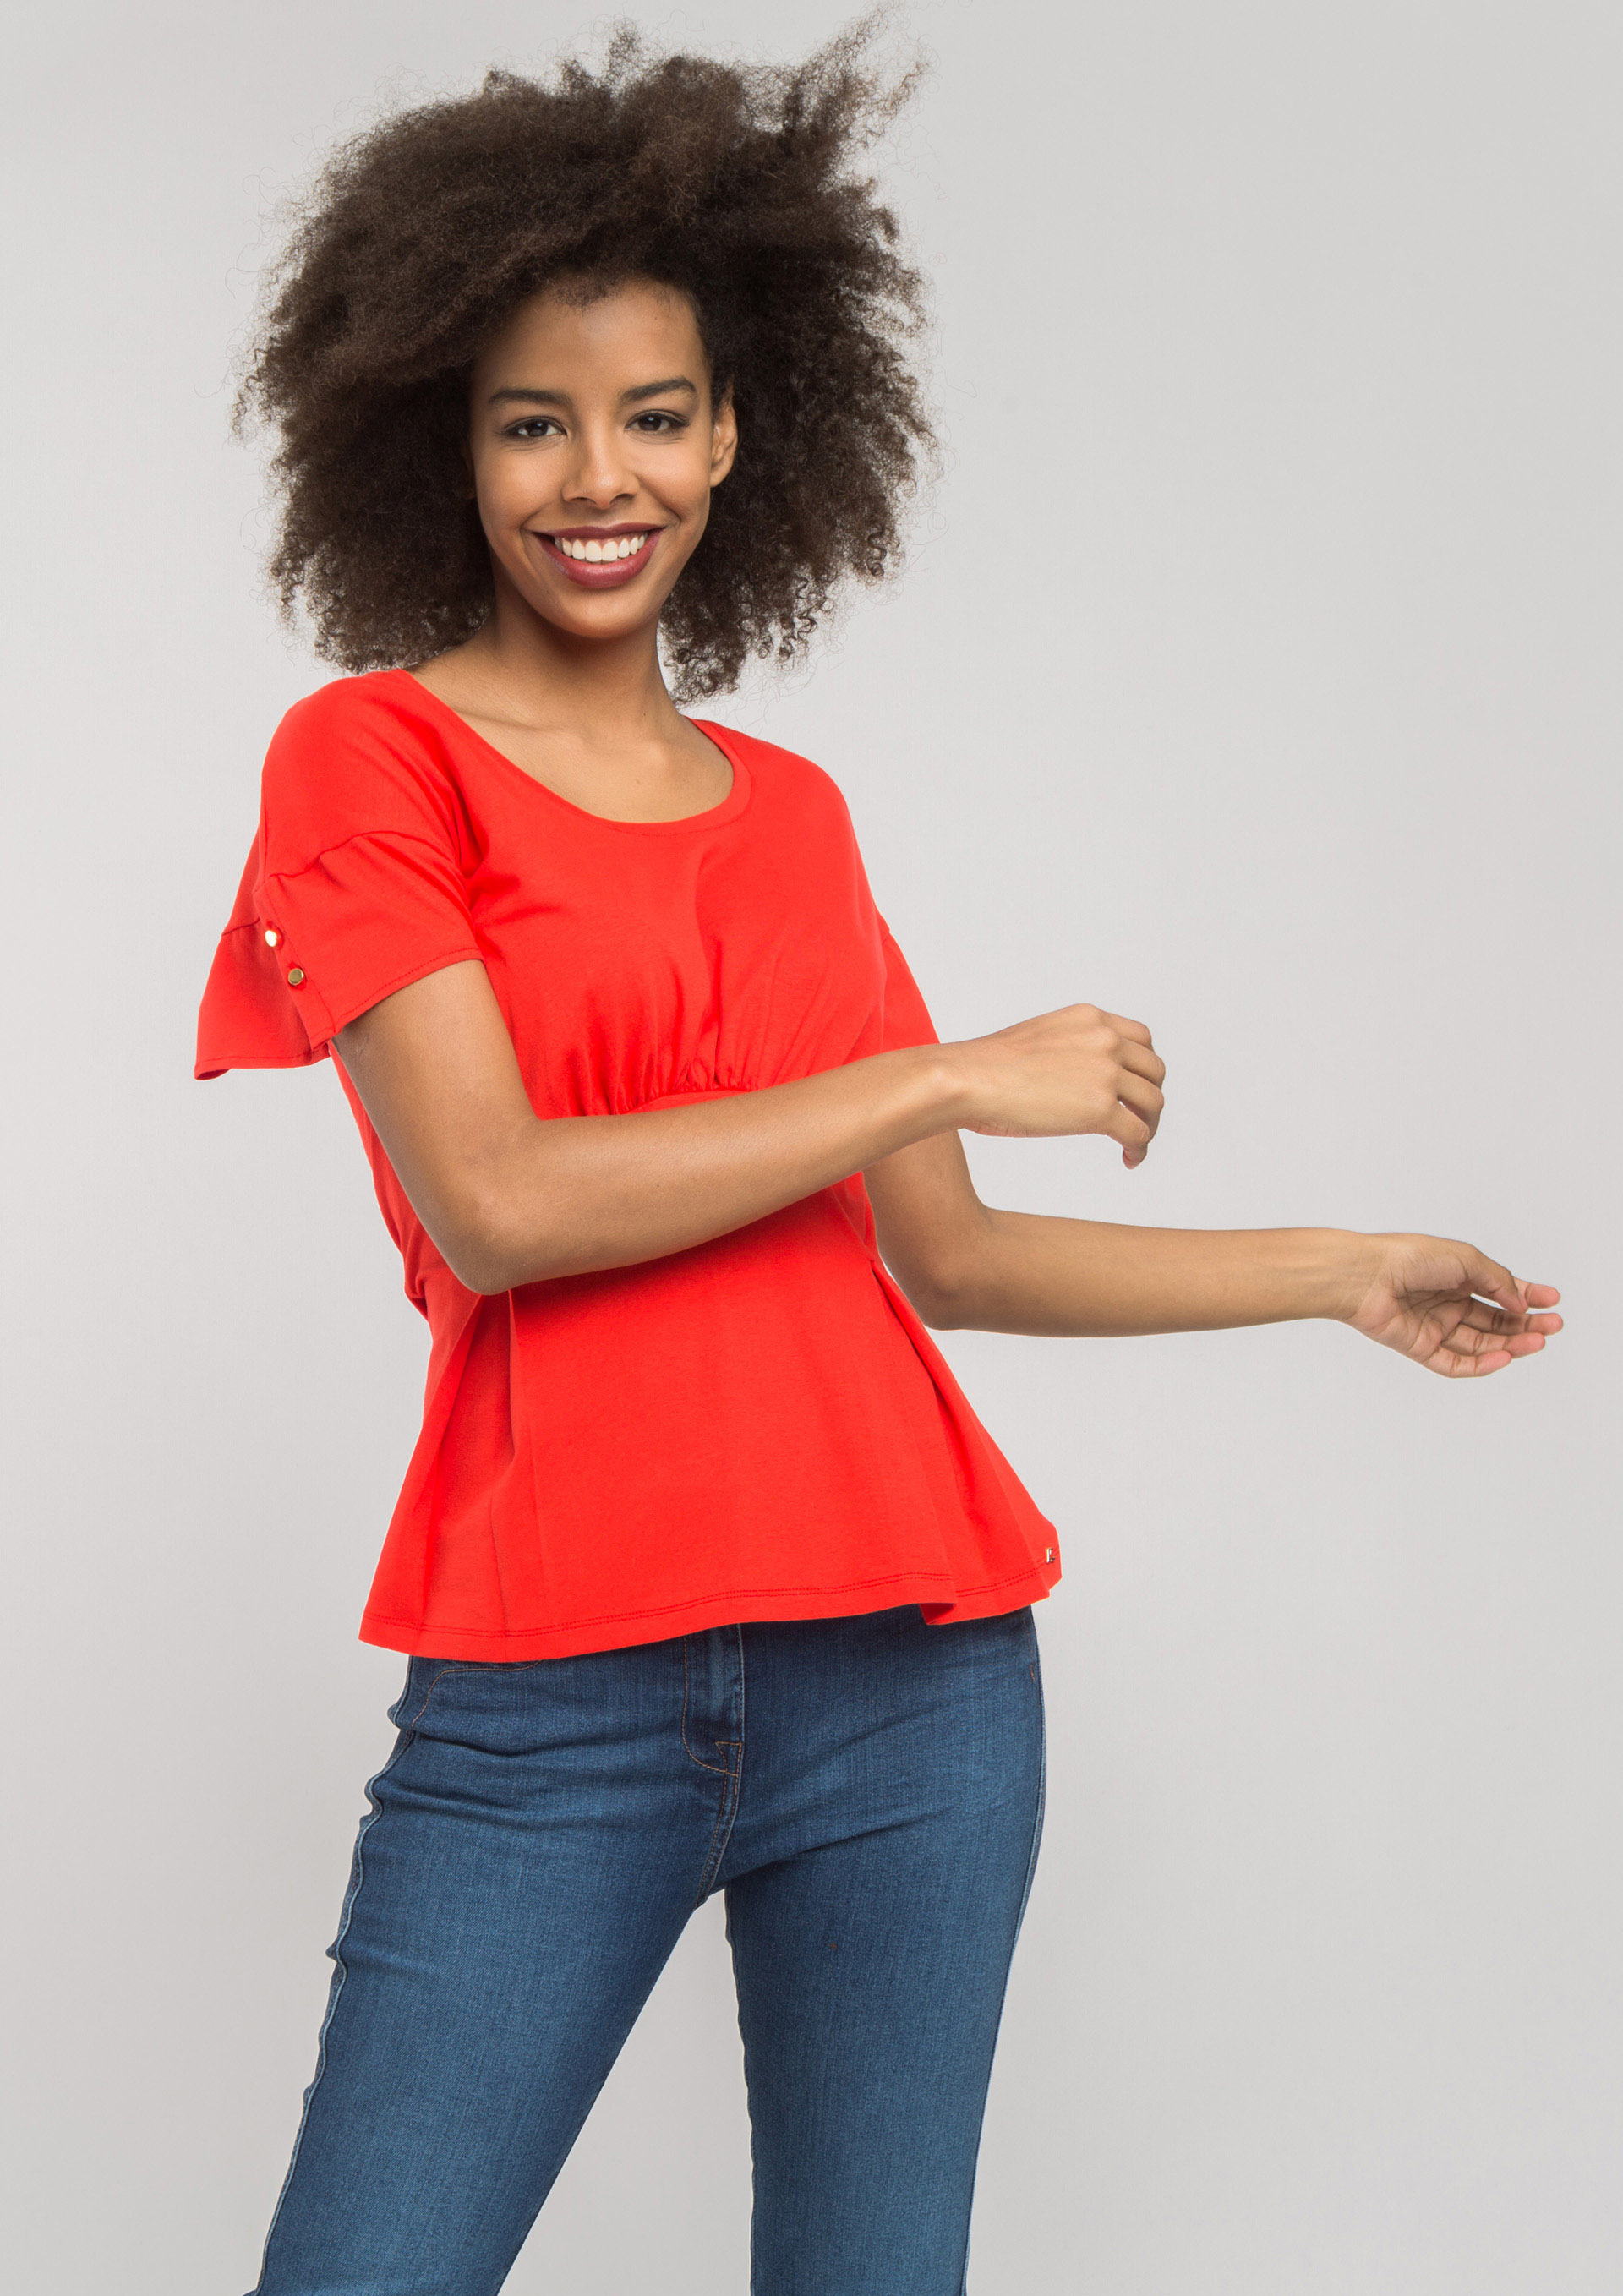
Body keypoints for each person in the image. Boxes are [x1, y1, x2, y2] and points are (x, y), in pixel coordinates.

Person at [194, 28, 1561, 2296]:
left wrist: (1345, 1260)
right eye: (532, 418)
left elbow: (946, 1262)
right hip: (555, 1699)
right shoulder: (369, 759)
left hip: (917, 1681)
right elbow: (502, 1204)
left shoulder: (792, 816)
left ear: (739, 434)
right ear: (446, 441)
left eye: (651, 413)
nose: (592, 476)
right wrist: (932, 1071)